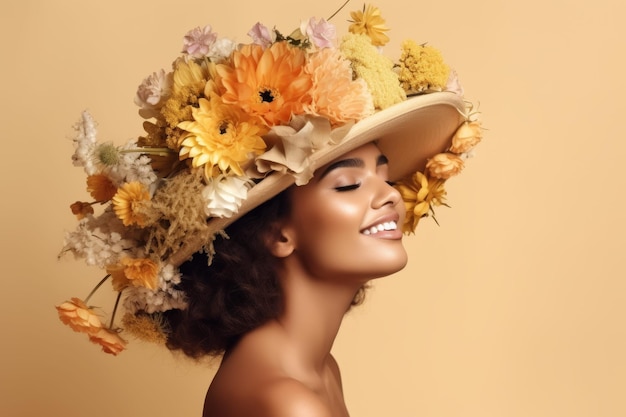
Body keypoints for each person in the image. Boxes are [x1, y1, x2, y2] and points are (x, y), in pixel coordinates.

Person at [56, 4, 482, 416]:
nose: (389, 195)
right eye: (349, 184)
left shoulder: (318, 372)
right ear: (277, 234)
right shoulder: (285, 401)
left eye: (384, 176)